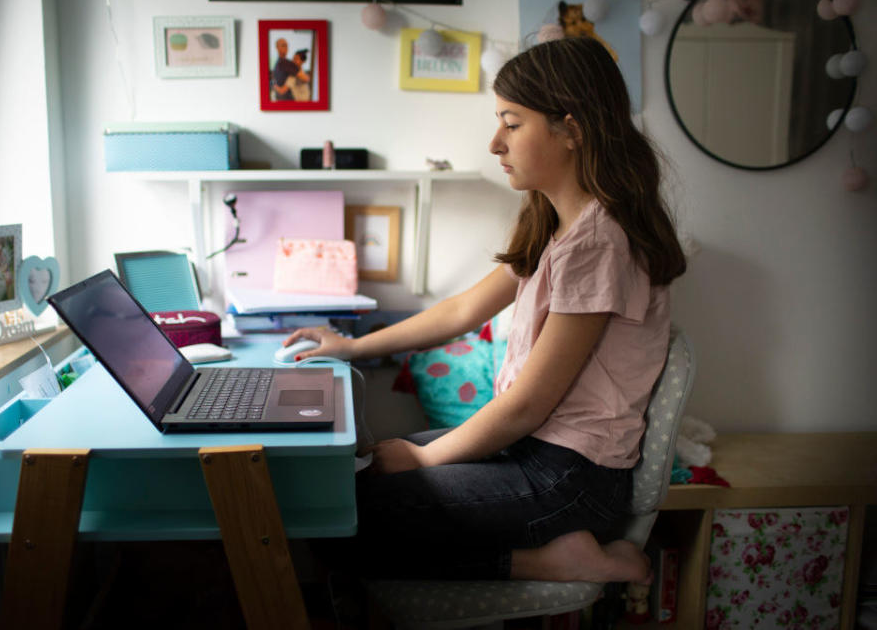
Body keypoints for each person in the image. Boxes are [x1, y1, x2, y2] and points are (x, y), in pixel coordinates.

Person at [284, 36, 686, 584]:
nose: (495, 143)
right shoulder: (557, 229)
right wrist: (353, 345)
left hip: (570, 478)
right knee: (335, 486)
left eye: (512, 123)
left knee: (335, 518)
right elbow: (462, 311)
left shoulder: (599, 243)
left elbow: (527, 405)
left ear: (573, 129)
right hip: (533, 453)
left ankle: (551, 560)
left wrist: (426, 461)